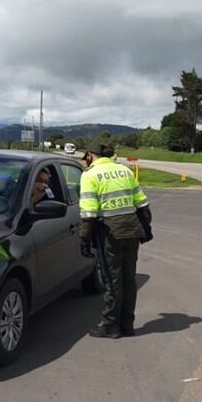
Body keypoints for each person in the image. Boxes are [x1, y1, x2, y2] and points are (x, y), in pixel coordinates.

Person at [79, 144, 153, 338]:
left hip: (110, 233)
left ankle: (111, 326)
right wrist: (146, 229)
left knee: (112, 281)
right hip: (132, 231)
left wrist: (84, 240)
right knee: (129, 280)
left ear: (90, 155)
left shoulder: (90, 175)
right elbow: (143, 204)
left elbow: (88, 213)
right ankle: (127, 324)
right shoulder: (124, 170)